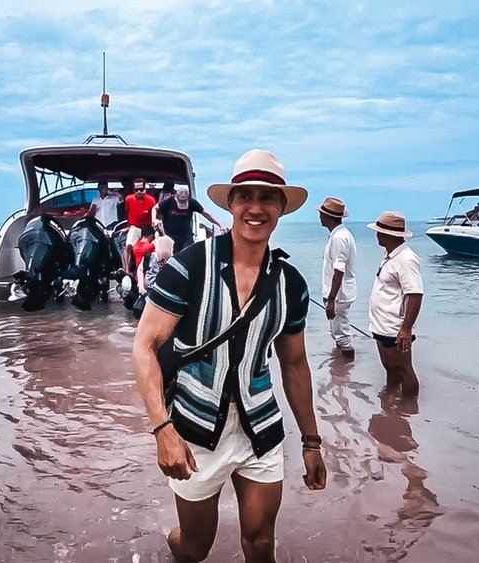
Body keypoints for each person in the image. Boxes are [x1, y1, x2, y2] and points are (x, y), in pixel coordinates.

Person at [133, 149, 326, 562]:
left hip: (260, 428)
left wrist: (312, 442)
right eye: (246, 197)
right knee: (195, 547)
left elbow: (294, 364)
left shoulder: (290, 284)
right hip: (195, 430)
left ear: (281, 208)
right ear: (231, 203)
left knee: (260, 544)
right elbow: (145, 344)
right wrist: (163, 432)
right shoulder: (190, 268)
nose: (256, 208)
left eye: (267, 198)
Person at [367, 211, 423, 397]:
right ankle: (390, 399)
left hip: (394, 326)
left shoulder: (406, 259)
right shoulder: (390, 255)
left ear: (389, 234)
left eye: (379, 231)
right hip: (382, 323)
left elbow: (415, 294)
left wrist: (406, 329)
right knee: (390, 367)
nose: (376, 235)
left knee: (403, 369)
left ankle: (409, 407)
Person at [317, 196, 357, 360]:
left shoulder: (339, 237)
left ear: (328, 217)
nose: (319, 217)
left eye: (321, 214)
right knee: (336, 328)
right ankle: (341, 368)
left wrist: (332, 299)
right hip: (339, 292)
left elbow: (339, 270)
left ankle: (345, 372)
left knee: (341, 331)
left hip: (339, 294)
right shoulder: (339, 234)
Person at [152, 185, 226, 253]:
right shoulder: (169, 201)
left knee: (188, 256)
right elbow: (155, 208)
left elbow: (206, 214)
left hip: (186, 237)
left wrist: (220, 225)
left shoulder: (191, 202)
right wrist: (154, 219)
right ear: (176, 196)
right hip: (170, 237)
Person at [123, 178, 156, 274]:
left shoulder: (151, 200)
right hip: (134, 227)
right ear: (133, 190)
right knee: (128, 247)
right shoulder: (128, 199)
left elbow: (154, 214)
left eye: (141, 189)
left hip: (148, 228)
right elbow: (126, 212)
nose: (139, 192)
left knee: (154, 246)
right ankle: (126, 271)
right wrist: (128, 226)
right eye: (136, 190)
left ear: (145, 189)